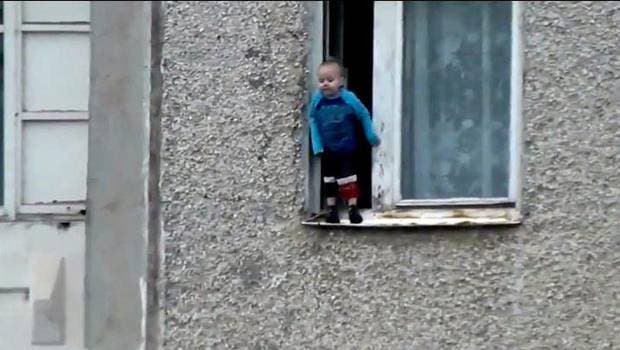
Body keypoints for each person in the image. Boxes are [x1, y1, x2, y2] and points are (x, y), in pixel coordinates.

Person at [307, 57, 380, 224]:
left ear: (341, 81)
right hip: (327, 148)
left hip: (347, 146)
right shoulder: (317, 100)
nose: (325, 84)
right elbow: (312, 120)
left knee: (348, 178)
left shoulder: (349, 98)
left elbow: (363, 115)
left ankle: (352, 208)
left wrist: (370, 135)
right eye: (321, 81)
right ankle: (332, 210)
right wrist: (317, 145)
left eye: (330, 80)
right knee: (329, 179)